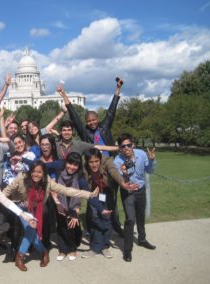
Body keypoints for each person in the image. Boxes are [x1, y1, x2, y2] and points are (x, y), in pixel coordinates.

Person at [3, 160, 99, 271]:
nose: (36, 174)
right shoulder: (21, 178)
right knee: (30, 228)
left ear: (44, 173)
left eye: (39, 172)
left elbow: (66, 190)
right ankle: (20, 257)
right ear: (30, 172)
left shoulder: (47, 182)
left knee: (32, 233)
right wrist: (11, 204)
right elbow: (5, 193)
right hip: (21, 208)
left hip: (36, 208)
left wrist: (89, 194)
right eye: (34, 171)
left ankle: (43, 252)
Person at [58, 81, 124, 237]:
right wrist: (64, 94)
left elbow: (111, 111)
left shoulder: (104, 127)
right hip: (93, 168)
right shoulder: (85, 132)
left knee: (110, 197)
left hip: (108, 166)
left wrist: (118, 90)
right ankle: (91, 227)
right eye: (88, 121)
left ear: (98, 119)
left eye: (94, 120)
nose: (92, 123)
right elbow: (73, 114)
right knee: (93, 198)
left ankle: (114, 225)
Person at [114, 133, 157, 262]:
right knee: (130, 219)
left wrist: (151, 160)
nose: (126, 148)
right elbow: (122, 181)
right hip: (128, 192)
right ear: (120, 148)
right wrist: (125, 173)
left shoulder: (142, 154)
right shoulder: (118, 161)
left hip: (141, 190)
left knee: (140, 217)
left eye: (128, 145)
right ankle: (127, 250)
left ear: (133, 144)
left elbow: (149, 171)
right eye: (123, 146)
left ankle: (142, 239)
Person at [54, 152, 88, 261]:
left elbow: (85, 191)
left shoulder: (79, 177)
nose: (72, 167)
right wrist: (57, 202)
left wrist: (77, 209)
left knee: (74, 227)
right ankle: (63, 249)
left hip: (74, 205)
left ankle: (73, 248)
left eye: (75, 165)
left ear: (79, 166)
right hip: (61, 203)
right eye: (70, 163)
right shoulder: (59, 172)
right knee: (62, 226)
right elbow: (52, 187)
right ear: (66, 162)